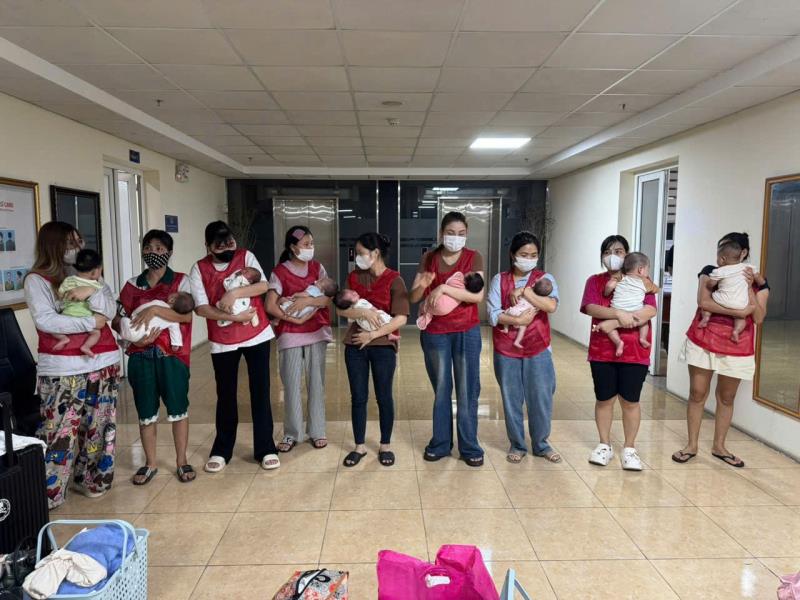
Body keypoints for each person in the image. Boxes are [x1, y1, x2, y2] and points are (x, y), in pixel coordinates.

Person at [23, 222, 119, 508]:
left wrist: (92, 292)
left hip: (103, 360)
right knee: (58, 432)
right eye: (70, 243)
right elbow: (47, 320)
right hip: (62, 369)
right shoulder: (37, 280)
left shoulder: (88, 271)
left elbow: (109, 309)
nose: (77, 248)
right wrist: (90, 322)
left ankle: (91, 479)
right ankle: (50, 492)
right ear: (54, 246)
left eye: (79, 241)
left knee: (99, 427)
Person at [672, 232, 769, 468]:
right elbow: (704, 302)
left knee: (727, 397)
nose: (720, 256)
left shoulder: (758, 281)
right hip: (703, 338)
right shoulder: (710, 271)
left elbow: (758, 317)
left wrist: (748, 288)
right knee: (697, 392)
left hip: (738, 344)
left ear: (743, 253)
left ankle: (719, 446)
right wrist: (738, 312)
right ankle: (691, 445)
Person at [190, 221, 279, 472]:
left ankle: (266, 448)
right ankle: (222, 449)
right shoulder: (199, 269)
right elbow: (201, 308)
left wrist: (234, 294)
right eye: (220, 246)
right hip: (223, 341)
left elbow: (263, 285)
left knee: (260, 391)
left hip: (256, 335)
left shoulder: (245, 256)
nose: (228, 249)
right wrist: (234, 317)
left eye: (230, 243)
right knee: (226, 395)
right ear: (208, 246)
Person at [116, 229, 196, 484]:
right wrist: (135, 340)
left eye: (159, 248)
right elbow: (118, 319)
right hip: (140, 356)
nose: (153, 252)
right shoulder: (132, 284)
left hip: (172, 356)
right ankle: (150, 463)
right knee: (145, 411)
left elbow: (186, 316)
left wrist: (154, 311)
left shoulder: (181, 281)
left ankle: (181, 461)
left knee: (178, 408)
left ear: (169, 253)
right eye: (148, 248)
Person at [409, 212, 485, 467]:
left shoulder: (473, 257)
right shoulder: (429, 258)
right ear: (441, 233)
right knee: (442, 388)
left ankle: (469, 446)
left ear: (467, 234)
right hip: (435, 333)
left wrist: (442, 287)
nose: (456, 238)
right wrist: (424, 284)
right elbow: (413, 297)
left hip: (466, 331)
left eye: (461, 233)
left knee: (467, 389)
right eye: (451, 233)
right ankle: (440, 443)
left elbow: (477, 296)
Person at [580, 235, 657, 471]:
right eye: (607, 252)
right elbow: (590, 307)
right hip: (602, 350)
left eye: (619, 251)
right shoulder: (595, 281)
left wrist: (617, 321)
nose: (612, 256)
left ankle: (629, 449)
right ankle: (604, 445)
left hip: (635, 351)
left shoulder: (642, 280)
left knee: (630, 401)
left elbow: (650, 310)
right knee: (604, 399)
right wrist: (618, 314)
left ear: (628, 255)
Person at [487, 231, 561, 464]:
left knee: (541, 397)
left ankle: (541, 444)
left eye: (533, 255)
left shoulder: (545, 278)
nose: (529, 259)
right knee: (512, 398)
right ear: (512, 255)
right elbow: (493, 314)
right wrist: (517, 320)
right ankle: (517, 444)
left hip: (538, 347)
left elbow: (550, 306)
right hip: (506, 349)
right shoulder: (499, 280)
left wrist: (527, 292)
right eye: (523, 254)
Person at [337, 232, 408, 467]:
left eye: (360, 253)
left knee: (384, 396)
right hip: (355, 345)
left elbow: (401, 318)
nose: (357, 257)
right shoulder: (354, 277)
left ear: (375, 253)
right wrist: (362, 313)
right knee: (358, 397)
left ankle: (385, 444)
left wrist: (372, 335)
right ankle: (359, 446)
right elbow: (340, 309)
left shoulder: (395, 280)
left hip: (382, 346)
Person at [266, 226, 333, 453]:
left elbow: (326, 299)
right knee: (291, 385)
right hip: (290, 335)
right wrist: (293, 319)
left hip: (316, 332)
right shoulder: (280, 272)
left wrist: (307, 302)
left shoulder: (317, 268)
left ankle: (317, 431)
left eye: (311, 243)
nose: (310, 248)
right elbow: (270, 305)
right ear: (292, 248)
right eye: (305, 244)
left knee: (316, 383)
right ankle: (292, 433)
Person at [594, 252, 659, 357]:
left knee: (610, 328)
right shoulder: (645, 282)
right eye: (648, 270)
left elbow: (609, 287)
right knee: (644, 322)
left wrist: (607, 291)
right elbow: (656, 290)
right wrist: (653, 286)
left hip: (617, 309)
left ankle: (618, 342)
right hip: (635, 311)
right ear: (641, 270)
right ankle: (642, 338)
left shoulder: (620, 277)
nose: (647, 273)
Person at [697, 239, 757, 342]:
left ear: (722, 259)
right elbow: (756, 273)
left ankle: (706, 317)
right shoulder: (747, 268)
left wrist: (710, 284)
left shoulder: (720, 271)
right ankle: (736, 331)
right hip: (740, 304)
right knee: (741, 319)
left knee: (707, 305)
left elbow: (709, 289)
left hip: (723, 300)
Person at [53, 249, 106, 357]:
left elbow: (60, 295)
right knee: (96, 333)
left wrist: (63, 297)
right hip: (87, 318)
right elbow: (101, 304)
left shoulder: (69, 280)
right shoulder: (97, 286)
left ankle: (63, 338)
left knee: (52, 327)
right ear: (95, 272)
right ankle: (86, 346)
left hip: (67, 316)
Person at [118, 291, 194, 348]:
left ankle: (126, 339)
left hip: (134, 326)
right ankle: (127, 341)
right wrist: (176, 344)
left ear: (172, 300)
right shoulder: (174, 320)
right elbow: (175, 332)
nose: (174, 292)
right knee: (131, 332)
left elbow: (142, 308)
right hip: (145, 335)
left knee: (124, 320)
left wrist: (134, 315)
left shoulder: (158, 303)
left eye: (176, 293)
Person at [416, 271, 484, 331]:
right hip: (444, 311)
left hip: (441, 304)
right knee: (430, 308)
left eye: (470, 273)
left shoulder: (459, 283)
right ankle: (426, 313)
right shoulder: (465, 294)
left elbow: (451, 281)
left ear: (466, 281)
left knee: (429, 302)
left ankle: (424, 309)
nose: (469, 271)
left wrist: (443, 287)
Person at [500, 276, 552, 349]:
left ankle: (506, 329)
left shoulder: (528, 290)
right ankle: (517, 341)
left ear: (534, 285)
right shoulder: (539, 301)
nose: (536, 279)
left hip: (514, 311)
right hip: (525, 315)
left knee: (505, 312)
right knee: (522, 329)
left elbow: (520, 294)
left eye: (538, 280)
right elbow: (538, 308)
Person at [334, 287, 399, 342]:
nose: (354, 292)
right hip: (374, 321)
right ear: (349, 303)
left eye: (352, 291)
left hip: (367, 327)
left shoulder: (352, 310)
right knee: (386, 319)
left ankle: (376, 332)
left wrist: (347, 333)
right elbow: (372, 308)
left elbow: (350, 323)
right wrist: (377, 312)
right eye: (353, 295)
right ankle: (389, 334)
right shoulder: (361, 301)